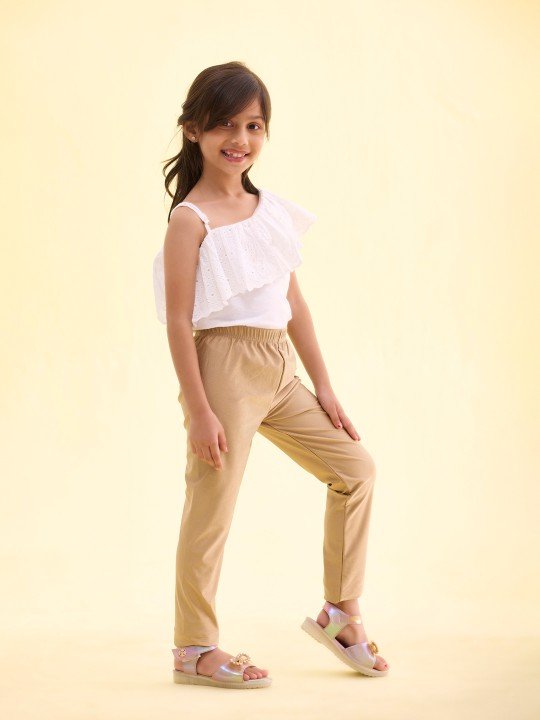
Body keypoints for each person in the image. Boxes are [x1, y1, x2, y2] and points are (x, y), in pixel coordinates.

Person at [153, 61, 390, 690]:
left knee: (356, 470)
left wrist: (324, 386)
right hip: (223, 368)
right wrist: (199, 410)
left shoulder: (272, 210)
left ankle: (341, 613)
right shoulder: (190, 220)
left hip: (280, 368)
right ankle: (194, 648)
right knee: (212, 508)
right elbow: (178, 321)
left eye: (254, 125)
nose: (241, 138)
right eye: (225, 124)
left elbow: (296, 307)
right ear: (193, 130)